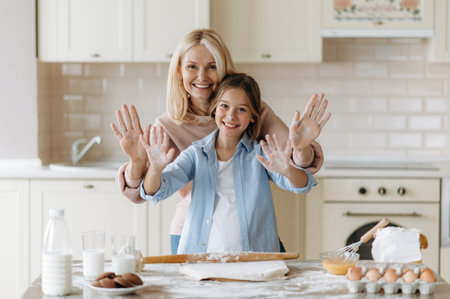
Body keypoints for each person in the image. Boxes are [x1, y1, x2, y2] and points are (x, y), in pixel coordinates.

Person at [111, 29, 331, 254]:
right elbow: (148, 190)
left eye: (212, 66)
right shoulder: (171, 127)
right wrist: (137, 162)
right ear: (179, 71)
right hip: (193, 233)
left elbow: (292, 161)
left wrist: (301, 148)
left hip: (251, 236)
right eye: (191, 66)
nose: (202, 77)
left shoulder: (255, 113)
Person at [139, 73, 319, 253]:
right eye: (224, 106)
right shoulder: (196, 154)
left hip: (255, 263)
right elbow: (155, 191)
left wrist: (288, 170)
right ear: (215, 109)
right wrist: (155, 169)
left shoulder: (261, 154)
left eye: (241, 109)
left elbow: (301, 185)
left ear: (253, 116)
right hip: (202, 263)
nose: (231, 116)